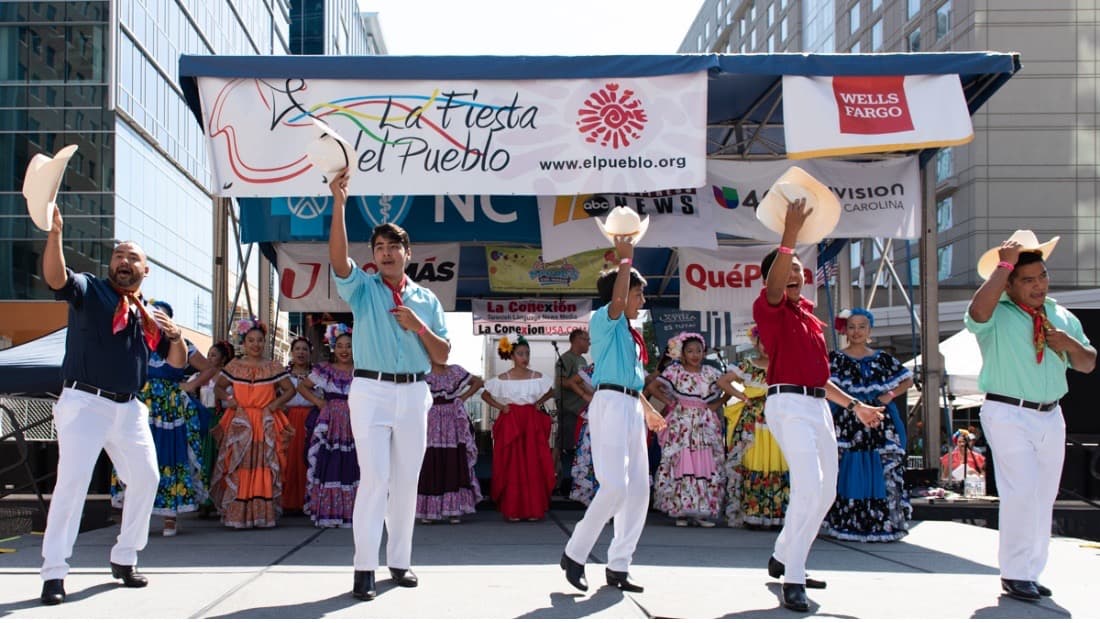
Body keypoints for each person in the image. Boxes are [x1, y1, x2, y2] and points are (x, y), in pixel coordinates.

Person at [38, 205, 187, 605]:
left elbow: (177, 362)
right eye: (118, 255)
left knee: (147, 478)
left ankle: (125, 557)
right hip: (85, 402)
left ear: (145, 269)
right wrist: (55, 235)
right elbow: (56, 278)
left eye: (132, 257)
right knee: (72, 484)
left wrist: (175, 336)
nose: (123, 261)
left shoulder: (149, 313)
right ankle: (54, 572)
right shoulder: (90, 289)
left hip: (129, 407)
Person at [752, 199, 885, 612]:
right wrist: (790, 234)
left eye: (798, 269)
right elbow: (775, 286)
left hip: (817, 405)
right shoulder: (770, 308)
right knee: (809, 486)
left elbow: (819, 378)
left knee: (825, 492)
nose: (795, 274)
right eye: (788, 269)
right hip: (787, 403)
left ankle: (784, 554)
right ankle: (793, 577)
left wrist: (855, 405)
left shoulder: (808, 317)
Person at [327, 168, 450, 601]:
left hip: (414, 392)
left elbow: (442, 355)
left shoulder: (427, 300)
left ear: (407, 253)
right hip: (371, 391)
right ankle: (364, 566)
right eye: (379, 247)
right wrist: (339, 204)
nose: (385, 253)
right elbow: (338, 260)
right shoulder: (363, 289)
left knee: (406, 481)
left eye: (393, 247)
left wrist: (419, 326)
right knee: (375, 478)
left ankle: (400, 561)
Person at [965, 233, 1095, 602]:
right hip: (1007, 411)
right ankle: (1015, 572)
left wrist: (1071, 345)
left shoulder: (1060, 314)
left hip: (1051, 414)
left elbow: (1088, 363)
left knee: (1043, 496)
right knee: (1020, 491)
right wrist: (1003, 265)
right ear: (1009, 283)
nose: (1039, 285)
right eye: (1028, 279)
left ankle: (1030, 572)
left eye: (1042, 276)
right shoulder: (996, 311)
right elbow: (976, 313)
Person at [561, 234, 667, 595]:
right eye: (638, 294)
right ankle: (575, 553)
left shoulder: (630, 332)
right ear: (620, 294)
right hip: (609, 403)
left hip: (630, 405)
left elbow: (632, 382)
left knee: (638, 490)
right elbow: (618, 300)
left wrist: (647, 410)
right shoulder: (603, 319)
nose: (641, 300)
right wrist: (625, 260)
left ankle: (619, 565)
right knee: (615, 486)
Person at [109, 300, 211, 538]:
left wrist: (190, 385)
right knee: (135, 456)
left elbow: (209, 367)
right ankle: (136, 519)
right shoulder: (135, 342)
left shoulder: (181, 344)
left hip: (169, 408)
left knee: (170, 455)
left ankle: (170, 517)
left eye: (161, 318)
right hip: (139, 403)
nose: (155, 322)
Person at [823, 308, 914, 543]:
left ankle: (882, 523)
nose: (857, 331)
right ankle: (848, 522)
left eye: (862, 326)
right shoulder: (835, 359)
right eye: (852, 327)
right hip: (846, 421)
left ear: (869, 329)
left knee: (882, 466)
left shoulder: (882, 359)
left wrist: (889, 395)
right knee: (847, 467)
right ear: (845, 331)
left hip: (879, 420)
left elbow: (908, 379)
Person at [210, 319, 296, 529]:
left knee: (263, 463)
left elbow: (290, 390)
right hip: (241, 421)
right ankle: (239, 515)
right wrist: (229, 399)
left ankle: (261, 515)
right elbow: (218, 387)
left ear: (265, 342)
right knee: (239, 463)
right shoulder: (234, 366)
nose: (256, 344)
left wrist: (275, 404)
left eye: (259, 340)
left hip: (264, 421)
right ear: (243, 342)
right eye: (251, 340)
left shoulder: (273, 366)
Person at [651, 332, 727, 527]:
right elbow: (652, 387)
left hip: (704, 423)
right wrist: (670, 402)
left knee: (704, 462)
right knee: (682, 461)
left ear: (704, 353)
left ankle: (701, 511)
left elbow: (728, 386)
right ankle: (680, 511)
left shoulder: (710, 373)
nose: (695, 355)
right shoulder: (674, 371)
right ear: (682, 353)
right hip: (681, 423)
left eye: (699, 351)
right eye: (690, 351)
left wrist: (718, 404)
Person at [717, 326, 789, 529]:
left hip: (778, 422)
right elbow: (723, 381)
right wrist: (743, 397)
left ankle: (777, 515)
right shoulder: (748, 365)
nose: (766, 346)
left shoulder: (785, 365)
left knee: (779, 462)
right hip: (754, 423)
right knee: (753, 461)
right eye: (762, 341)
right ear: (755, 343)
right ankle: (753, 514)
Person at [481, 335, 556, 521]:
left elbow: (551, 391)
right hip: (512, 420)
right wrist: (501, 407)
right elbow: (485, 395)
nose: (525, 357)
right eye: (521, 353)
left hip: (531, 421)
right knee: (513, 463)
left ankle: (533, 509)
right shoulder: (503, 378)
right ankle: (513, 508)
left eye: (527, 353)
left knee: (533, 462)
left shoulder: (537, 376)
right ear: (512, 356)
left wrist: (539, 402)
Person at [296, 330, 358, 528]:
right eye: (340, 346)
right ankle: (329, 511)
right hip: (331, 422)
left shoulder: (362, 370)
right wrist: (319, 402)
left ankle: (353, 512)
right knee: (330, 462)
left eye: (348, 346)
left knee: (354, 462)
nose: (344, 350)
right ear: (333, 348)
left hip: (355, 421)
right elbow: (302, 387)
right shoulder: (325, 370)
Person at [416, 361, 484, 523]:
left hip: (452, 421)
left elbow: (478, 382)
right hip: (431, 421)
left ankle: (454, 509)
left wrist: (462, 397)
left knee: (453, 460)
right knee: (431, 460)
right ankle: (429, 510)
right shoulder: (423, 374)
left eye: (446, 349)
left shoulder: (455, 371)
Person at [186, 340, 234, 519]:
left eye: (214, 355)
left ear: (223, 359)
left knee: (218, 459)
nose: (209, 358)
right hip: (202, 420)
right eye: (208, 355)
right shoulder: (199, 376)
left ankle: (217, 500)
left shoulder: (227, 377)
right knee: (202, 460)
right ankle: (202, 500)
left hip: (220, 419)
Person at [282, 336, 317, 514]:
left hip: (312, 419)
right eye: (297, 349)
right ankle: (288, 501)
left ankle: (308, 500)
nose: (301, 353)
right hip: (288, 419)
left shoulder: (317, 375)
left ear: (310, 353)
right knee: (288, 459)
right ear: (291, 352)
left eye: (305, 349)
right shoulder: (283, 374)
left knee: (309, 458)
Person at [554, 329, 591, 492]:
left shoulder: (582, 360)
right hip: (569, 407)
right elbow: (560, 381)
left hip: (582, 408)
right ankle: (554, 477)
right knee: (562, 444)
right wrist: (577, 386)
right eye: (586, 339)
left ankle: (577, 479)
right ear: (575, 340)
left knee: (579, 444)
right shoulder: (565, 359)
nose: (589, 343)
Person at [568, 363, 598, 506]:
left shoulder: (624, 365)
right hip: (597, 414)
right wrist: (586, 396)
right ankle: (593, 498)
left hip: (617, 414)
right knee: (592, 455)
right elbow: (572, 381)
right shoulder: (597, 366)